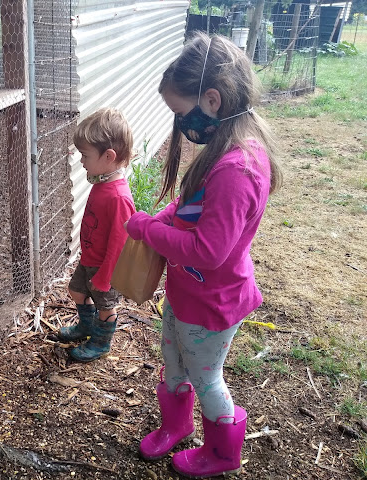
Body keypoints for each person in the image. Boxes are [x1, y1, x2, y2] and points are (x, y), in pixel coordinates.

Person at [125, 32, 283, 478]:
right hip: (186, 293)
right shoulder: (220, 150)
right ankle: (176, 426)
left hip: (213, 304)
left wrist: (150, 231)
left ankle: (222, 452)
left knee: (207, 379)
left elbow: (208, 252)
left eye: (181, 113)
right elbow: (190, 202)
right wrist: (163, 217)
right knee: (174, 363)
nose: (180, 124)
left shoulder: (237, 169)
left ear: (212, 100)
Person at [58, 108, 136, 362]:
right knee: (76, 291)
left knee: (106, 307)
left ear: (109, 156)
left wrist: (105, 275)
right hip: (90, 259)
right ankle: (87, 326)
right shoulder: (102, 181)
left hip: (106, 267)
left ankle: (101, 342)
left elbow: (120, 243)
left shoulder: (118, 197)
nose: (81, 161)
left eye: (85, 155)